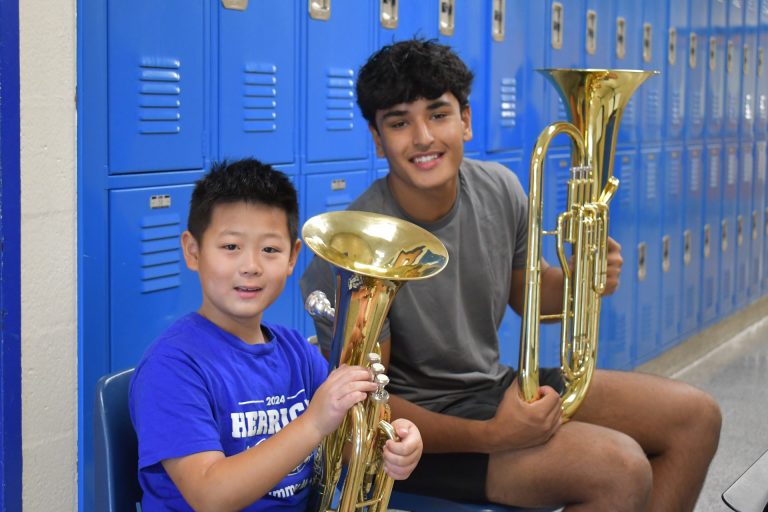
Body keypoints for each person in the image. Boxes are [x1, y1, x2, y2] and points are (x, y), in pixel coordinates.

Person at [300, 39, 722, 511]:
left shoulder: (499, 187)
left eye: (438, 115)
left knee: (695, 416)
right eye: (399, 122)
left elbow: (531, 296)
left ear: (466, 120)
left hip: (493, 388)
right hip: (413, 437)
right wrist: (494, 435)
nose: (422, 137)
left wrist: (585, 274)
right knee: (619, 469)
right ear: (378, 139)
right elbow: (367, 406)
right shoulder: (352, 247)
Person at [129, 158, 423, 511]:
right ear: (193, 252)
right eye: (230, 247)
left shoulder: (296, 352)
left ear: (292, 257)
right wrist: (313, 422)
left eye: (269, 249)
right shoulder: (173, 367)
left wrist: (389, 448)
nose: (251, 265)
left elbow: (343, 445)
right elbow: (210, 495)